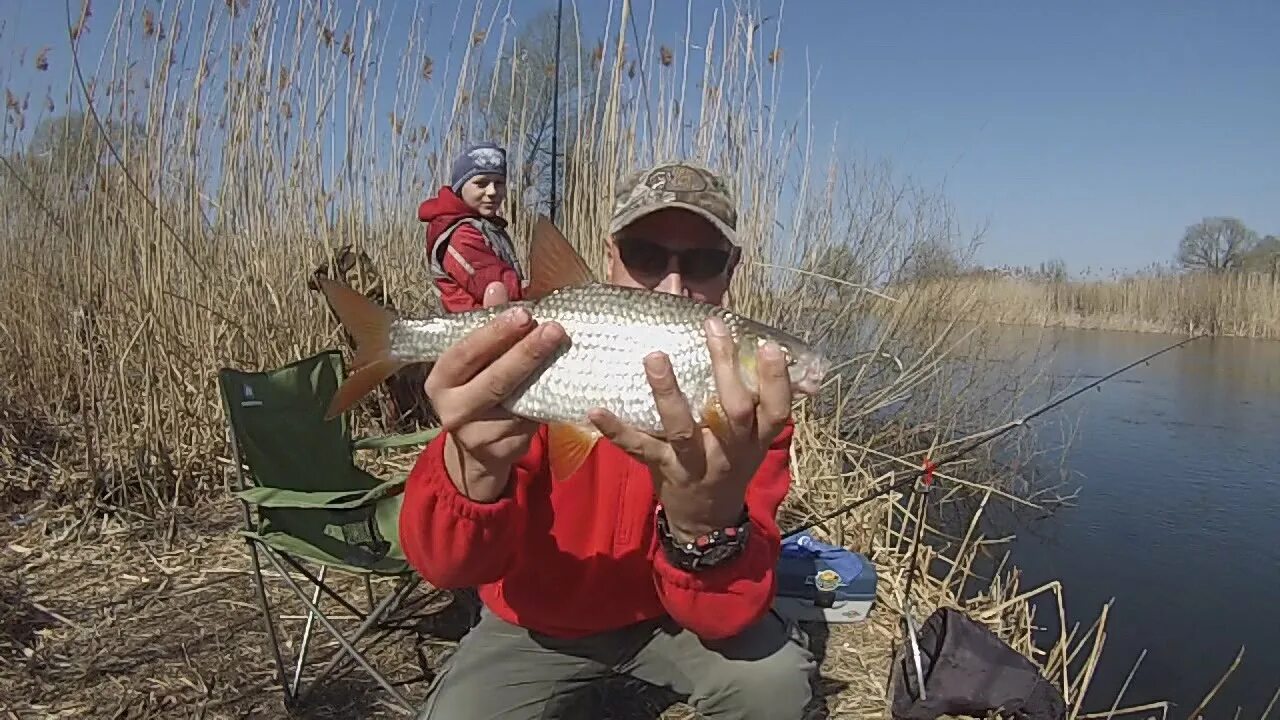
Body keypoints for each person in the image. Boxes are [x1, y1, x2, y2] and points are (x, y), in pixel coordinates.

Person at [400, 161, 818, 719]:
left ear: (731, 271)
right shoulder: (525, 357)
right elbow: (445, 567)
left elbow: (727, 614)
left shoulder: (753, 409)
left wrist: (701, 525)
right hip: (535, 621)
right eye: (645, 255)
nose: (674, 285)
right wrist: (472, 465)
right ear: (608, 254)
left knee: (776, 688)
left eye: (703, 261)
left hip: (675, 622)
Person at [418, 142, 524, 313]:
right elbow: (496, 285)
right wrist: (543, 288)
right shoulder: (461, 235)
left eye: (499, 183)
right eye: (481, 184)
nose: (492, 191)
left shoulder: (486, 226)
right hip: (470, 329)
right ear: (460, 188)